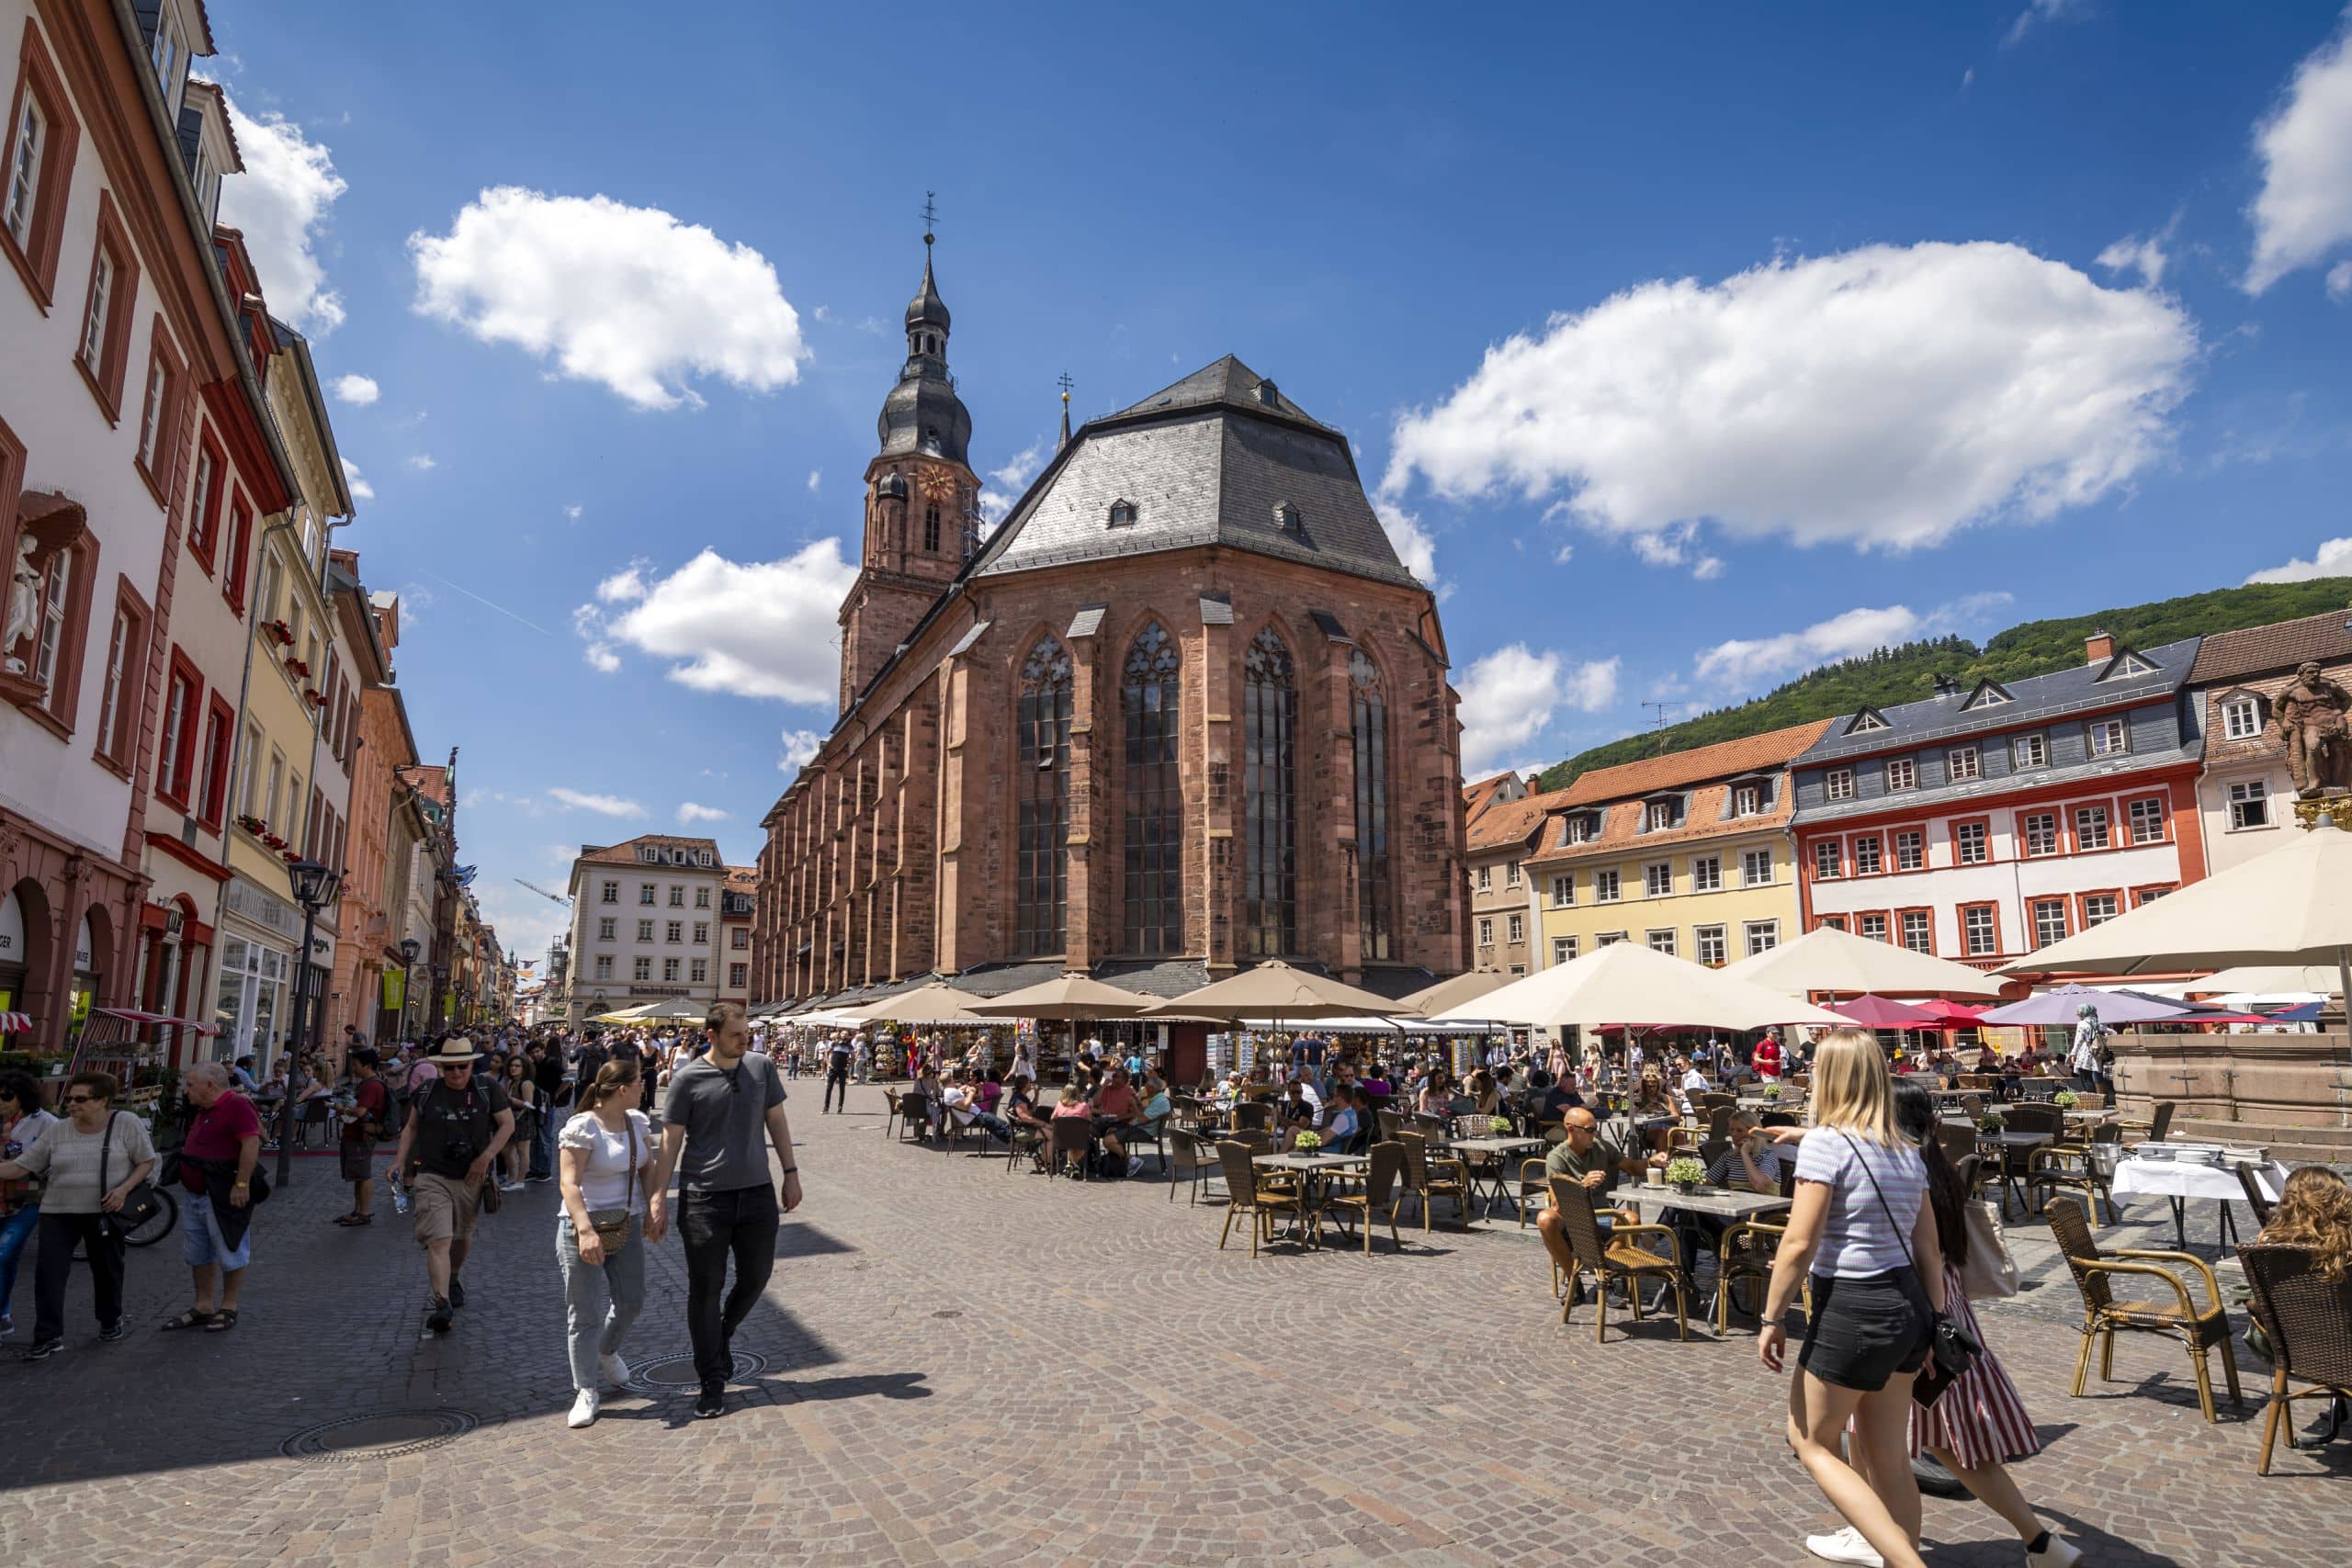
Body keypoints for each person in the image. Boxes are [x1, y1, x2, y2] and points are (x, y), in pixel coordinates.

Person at [1802, 1079, 2083, 1568]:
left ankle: (1884, 1541)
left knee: (1929, 1442)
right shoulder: (1932, 1165)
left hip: (1906, 1313)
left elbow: (1902, 1249)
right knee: (1933, 1442)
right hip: (1942, 1310)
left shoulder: (1891, 1166)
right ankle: (2039, 1543)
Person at [1756, 1030, 1940, 1568]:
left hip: (1853, 1305)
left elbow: (1798, 1241)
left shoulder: (1825, 1143)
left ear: (1828, 1077)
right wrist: (1934, 1318)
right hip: (1907, 1304)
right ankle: (1899, 1553)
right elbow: (1927, 1247)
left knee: (1810, 1440)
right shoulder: (1907, 1147)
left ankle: (1908, 1563)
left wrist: (1771, 1317)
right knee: (1888, 1455)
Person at [646, 1002, 799, 1420]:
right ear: (712, 1035)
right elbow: (670, 1143)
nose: (744, 1040)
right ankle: (711, 1378)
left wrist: (790, 1171)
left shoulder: (761, 1067)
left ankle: (723, 1334)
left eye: (746, 1033)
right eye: (736, 1035)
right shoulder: (686, 1078)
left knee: (756, 1276)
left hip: (756, 1193)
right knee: (705, 1289)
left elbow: (777, 1121)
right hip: (703, 1199)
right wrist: (658, 1196)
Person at [0, 1072, 154, 1359]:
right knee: (49, 1275)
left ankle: (110, 1320)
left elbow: (146, 1160)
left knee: (107, 1270)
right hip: (58, 1210)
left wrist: (123, 1190)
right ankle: (48, 1336)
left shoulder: (125, 1123)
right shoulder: (58, 1130)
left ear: (103, 1100)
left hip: (104, 1212)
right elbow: (22, 1166)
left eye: (81, 1099)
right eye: (70, 1098)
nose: (72, 1104)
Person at [557, 1055, 656, 1428]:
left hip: (625, 1222)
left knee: (632, 1300)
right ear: (624, 1089)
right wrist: (584, 1230)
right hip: (580, 1224)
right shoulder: (583, 1126)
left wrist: (653, 1206)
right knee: (583, 1313)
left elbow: (647, 1167)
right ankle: (586, 1390)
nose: (645, 1089)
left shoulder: (637, 1123)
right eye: (640, 1084)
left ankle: (606, 1350)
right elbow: (569, 1182)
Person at [393, 1038, 515, 1335]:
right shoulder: (427, 1091)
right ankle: (441, 1303)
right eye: (450, 1068)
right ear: (440, 1067)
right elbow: (411, 1127)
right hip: (432, 1174)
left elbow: (507, 1124)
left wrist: (486, 1158)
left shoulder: (487, 1089)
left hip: (471, 1177)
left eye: (462, 1066)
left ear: (471, 1065)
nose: (457, 1073)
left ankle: (454, 1276)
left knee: (462, 1238)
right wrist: (399, 1161)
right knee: (439, 1239)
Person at [165, 1062, 262, 1332]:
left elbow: (251, 1142)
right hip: (196, 1193)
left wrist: (241, 1183)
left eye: (190, 1085)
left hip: (220, 1193)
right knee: (198, 1253)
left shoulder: (237, 1105)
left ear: (211, 1085)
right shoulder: (204, 1109)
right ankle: (203, 1305)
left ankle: (229, 1306)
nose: (186, 1091)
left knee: (231, 1248)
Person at [1534, 1109, 1657, 1288]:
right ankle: (1574, 1282)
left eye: (1596, 1130)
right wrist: (1582, 1185)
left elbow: (1632, 1167)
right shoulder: (1556, 1158)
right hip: (1573, 1220)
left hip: (1602, 1216)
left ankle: (1606, 1277)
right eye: (1589, 1130)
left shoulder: (1600, 1147)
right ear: (1571, 1128)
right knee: (1545, 1219)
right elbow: (1558, 1204)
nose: (1594, 1134)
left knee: (1631, 1219)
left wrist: (1653, 1162)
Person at [0, 1072, 59, 1338]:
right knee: (6, 1259)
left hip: (26, 1196)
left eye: (6, 1096)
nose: (1, 1102)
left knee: (3, 1254)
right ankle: (3, 1315)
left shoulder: (46, 1123)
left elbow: (57, 1158)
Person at [332, 1050, 390, 1227]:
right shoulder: (368, 1084)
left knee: (363, 1175)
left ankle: (363, 1213)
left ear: (367, 1065)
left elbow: (360, 1111)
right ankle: (357, 1210)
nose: (354, 1068)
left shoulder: (371, 1086)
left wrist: (342, 1110)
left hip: (361, 1136)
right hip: (356, 1134)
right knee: (358, 1175)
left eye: (356, 1064)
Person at [499, 1055, 537, 1190]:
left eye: (517, 1066)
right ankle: (511, 1178)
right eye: (511, 1065)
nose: (513, 1068)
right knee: (506, 1150)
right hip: (510, 1119)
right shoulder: (510, 1081)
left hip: (522, 1120)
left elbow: (529, 1105)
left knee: (522, 1151)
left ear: (524, 1068)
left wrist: (510, 1100)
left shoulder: (526, 1083)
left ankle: (520, 1181)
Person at [529, 1041, 565, 1182]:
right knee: (535, 1138)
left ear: (543, 1050)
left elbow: (567, 1078)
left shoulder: (551, 1063)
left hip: (547, 1106)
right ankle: (535, 1169)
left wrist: (556, 1093)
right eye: (532, 1053)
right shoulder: (535, 1064)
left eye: (537, 1051)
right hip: (537, 1104)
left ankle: (545, 1171)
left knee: (544, 1138)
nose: (535, 1054)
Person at [822, 1032, 853, 1114]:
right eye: (843, 1034)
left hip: (843, 1069)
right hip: (833, 1068)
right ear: (840, 1035)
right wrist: (828, 1063)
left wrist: (848, 1066)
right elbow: (826, 1052)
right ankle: (826, 1107)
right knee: (829, 1088)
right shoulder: (834, 1043)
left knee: (842, 1089)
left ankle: (840, 1107)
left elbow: (853, 1057)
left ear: (848, 1036)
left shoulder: (849, 1046)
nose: (844, 1035)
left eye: (846, 1034)